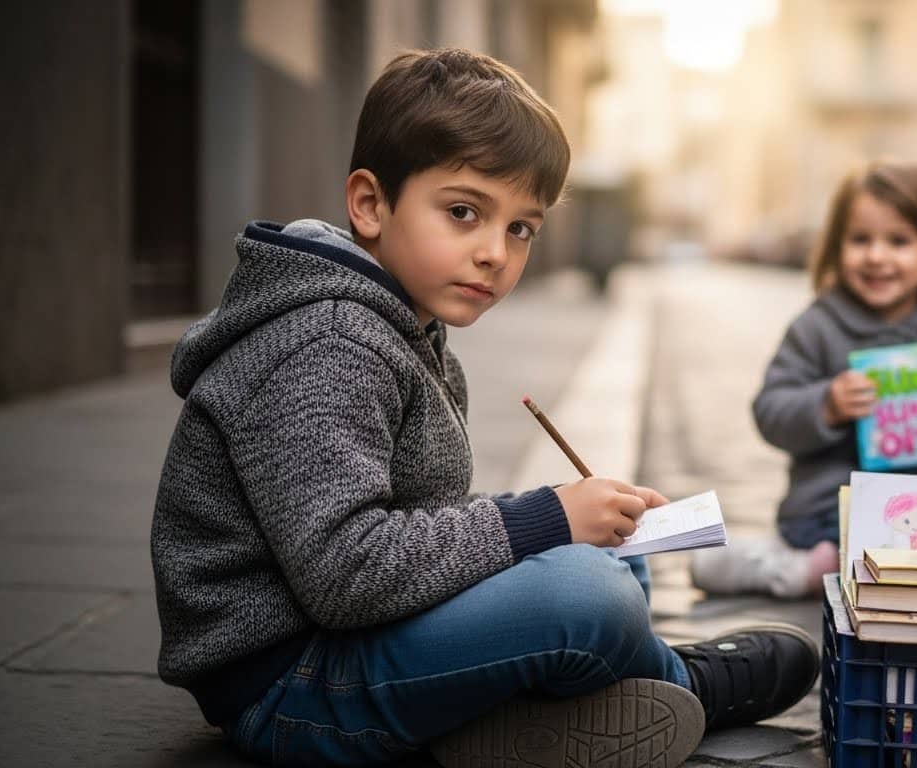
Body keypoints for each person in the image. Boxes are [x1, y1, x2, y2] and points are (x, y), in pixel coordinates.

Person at [151, 48, 818, 768]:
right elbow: (346, 576)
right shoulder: (330, 343)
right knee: (587, 592)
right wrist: (543, 518)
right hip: (293, 687)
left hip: (349, 648)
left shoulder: (396, 324)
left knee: (607, 556)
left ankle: (550, 700)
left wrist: (566, 516)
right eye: (463, 213)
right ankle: (679, 682)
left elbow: (408, 524)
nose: (494, 253)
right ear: (371, 204)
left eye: (519, 229)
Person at [692, 162, 917, 598]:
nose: (877, 256)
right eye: (860, 240)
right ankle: (782, 565)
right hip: (835, 512)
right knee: (852, 550)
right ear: (836, 245)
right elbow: (770, 410)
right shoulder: (817, 327)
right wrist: (827, 404)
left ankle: (817, 568)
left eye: (899, 241)